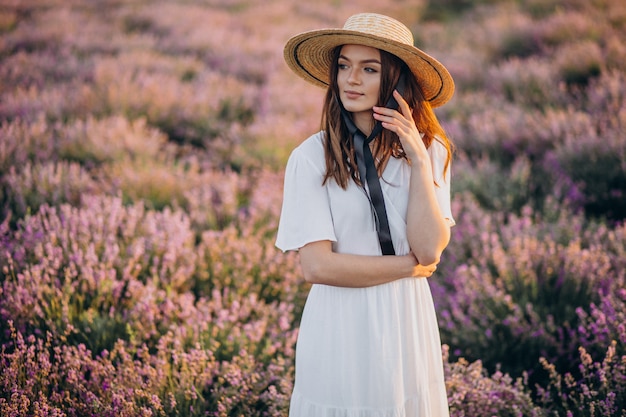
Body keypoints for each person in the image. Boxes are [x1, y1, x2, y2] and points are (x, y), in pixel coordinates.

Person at [276, 12, 455, 417]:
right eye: (344, 66)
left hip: (406, 320)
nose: (350, 79)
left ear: (395, 81)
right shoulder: (309, 158)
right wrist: (407, 268)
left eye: (368, 68)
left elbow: (429, 249)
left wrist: (418, 163)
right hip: (339, 323)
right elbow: (317, 266)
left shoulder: (432, 151)